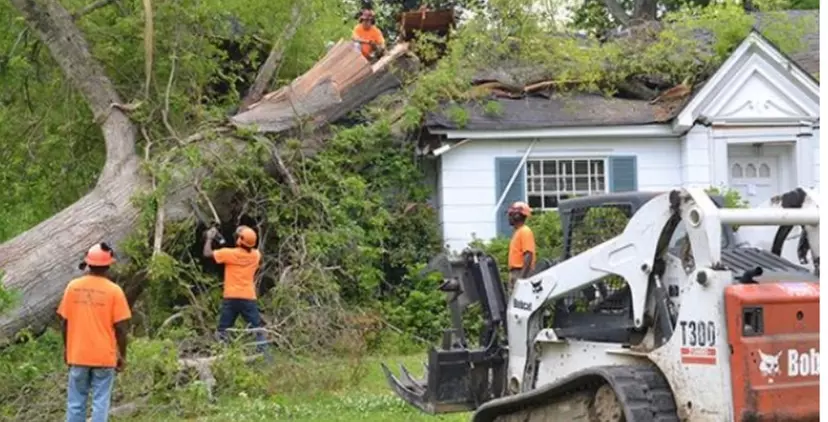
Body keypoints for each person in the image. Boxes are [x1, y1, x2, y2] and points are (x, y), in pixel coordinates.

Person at [57, 243, 131, 422]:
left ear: (88, 263)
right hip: (104, 357)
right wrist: (122, 355)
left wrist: (67, 349)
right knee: (100, 402)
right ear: (109, 265)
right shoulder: (114, 291)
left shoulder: (73, 287)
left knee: (75, 402)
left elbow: (65, 323)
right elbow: (121, 329)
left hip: (79, 355)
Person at [203, 225, 269, 357]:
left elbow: (207, 253)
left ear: (239, 240)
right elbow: (248, 243)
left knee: (223, 330)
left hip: (231, 297)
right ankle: (266, 358)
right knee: (257, 329)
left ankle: (224, 356)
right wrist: (244, 231)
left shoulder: (229, 254)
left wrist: (210, 238)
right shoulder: (256, 256)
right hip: (248, 298)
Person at [507, 201, 536, 292]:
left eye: (511, 214)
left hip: (520, 272)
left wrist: (521, 279)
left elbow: (528, 255)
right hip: (516, 272)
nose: (509, 217)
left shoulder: (525, 231)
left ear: (517, 215)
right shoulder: (518, 232)